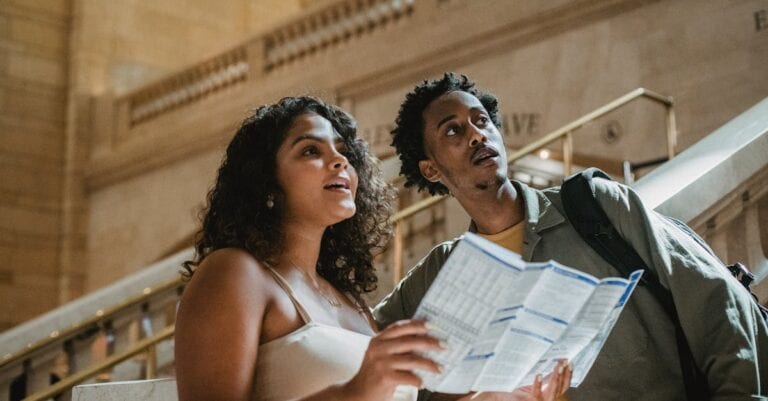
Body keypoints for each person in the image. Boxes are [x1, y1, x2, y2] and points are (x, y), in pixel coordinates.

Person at [373, 73, 768, 401]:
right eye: (454, 130)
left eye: (482, 121)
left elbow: (717, 302)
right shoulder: (436, 276)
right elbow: (349, 344)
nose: (477, 135)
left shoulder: (595, 206)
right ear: (431, 169)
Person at [174, 96, 571, 401]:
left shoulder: (349, 301)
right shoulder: (235, 272)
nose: (338, 162)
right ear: (265, 183)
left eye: (343, 153)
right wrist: (357, 390)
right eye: (310, 151)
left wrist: (490, 397)